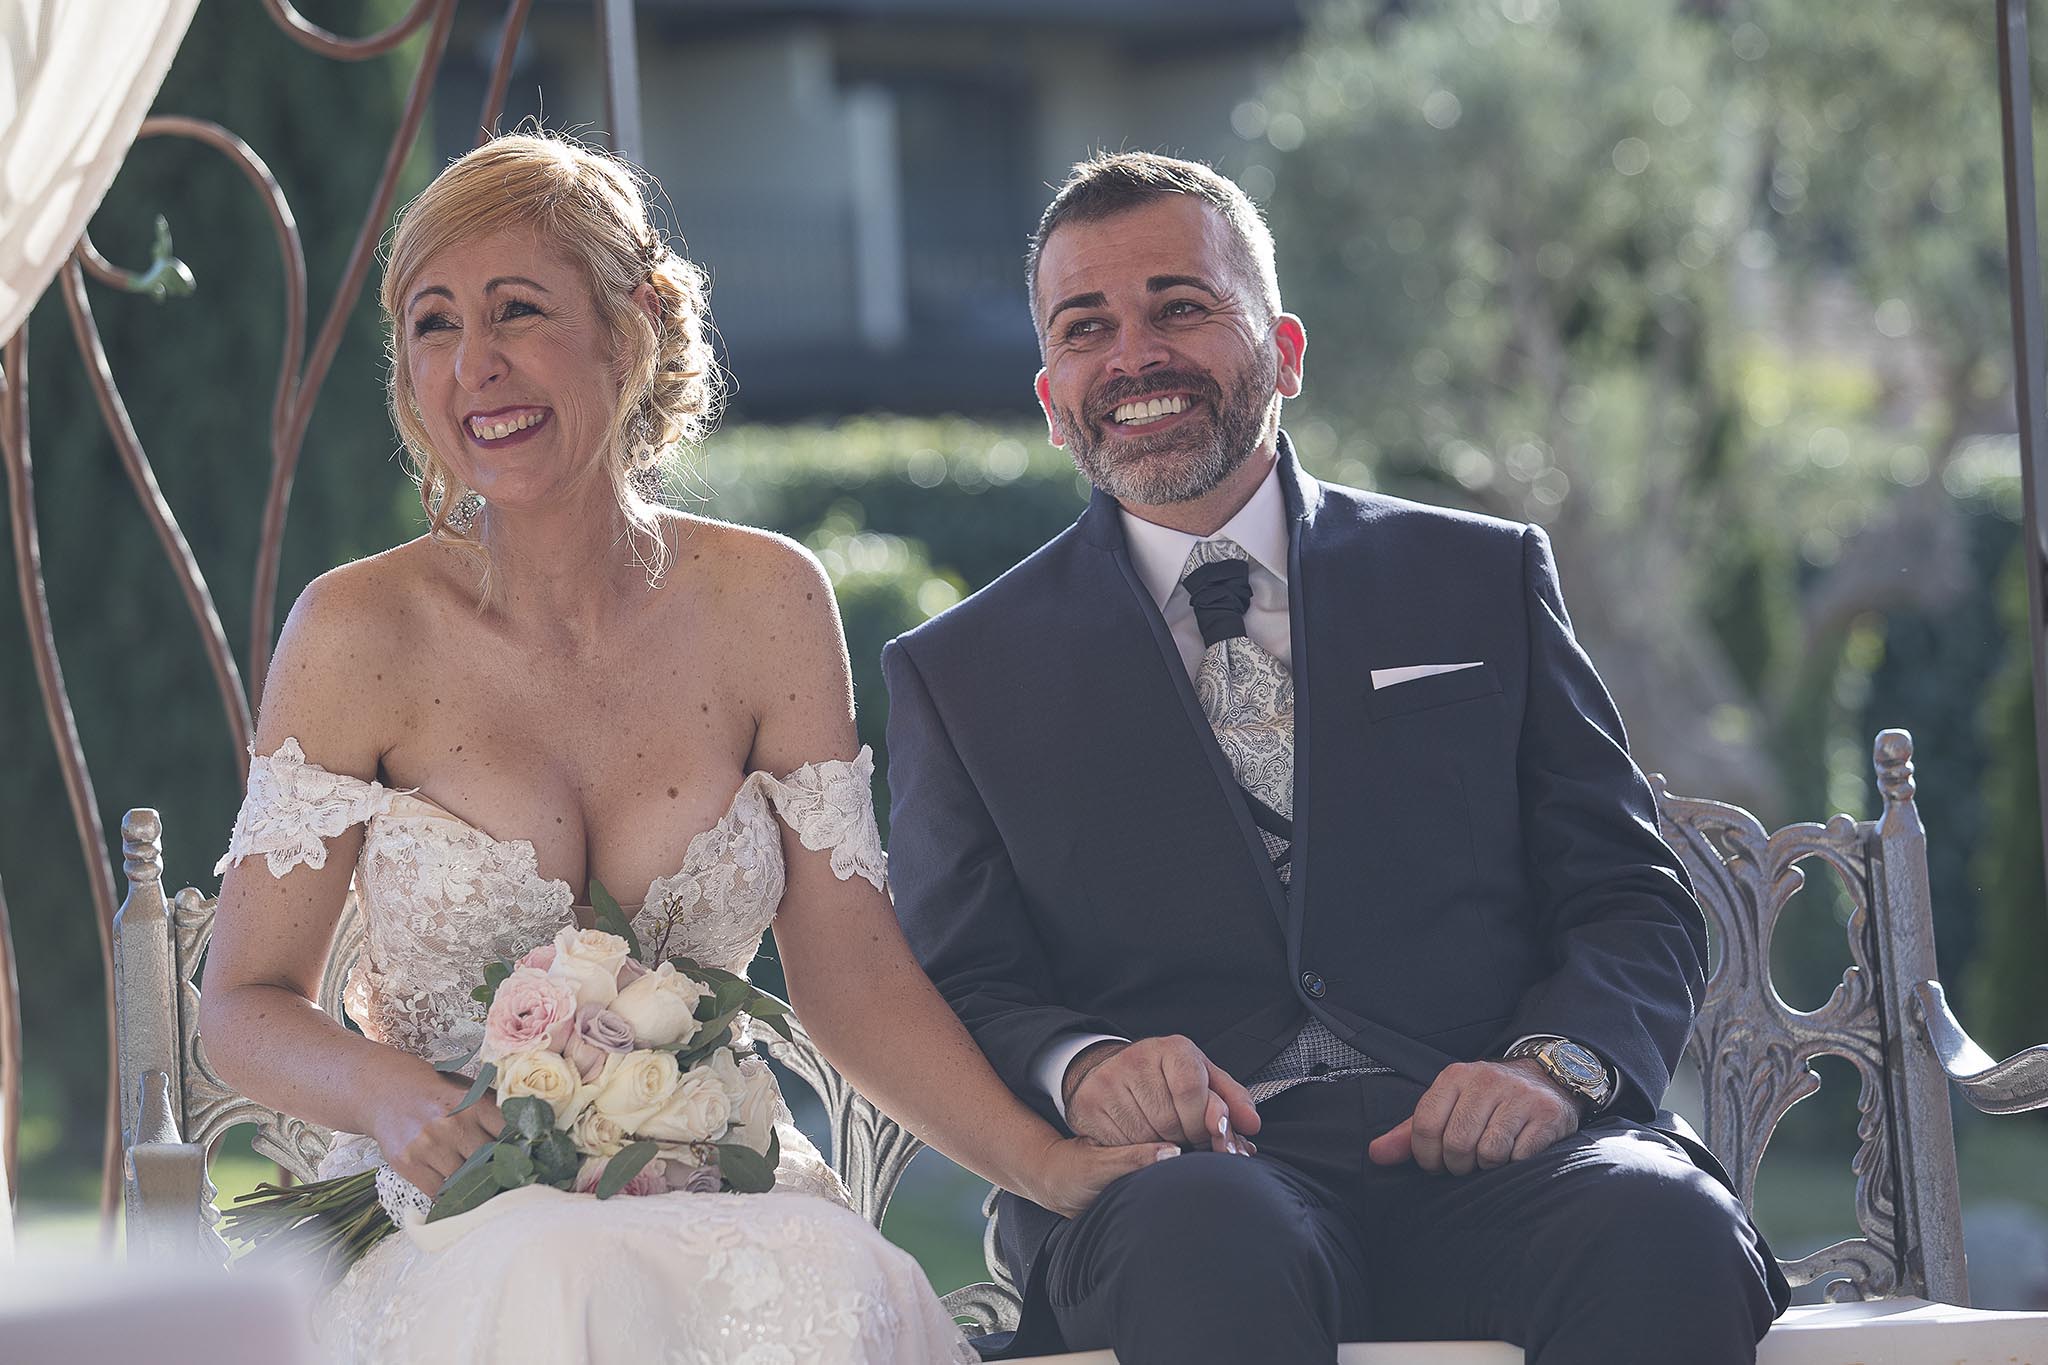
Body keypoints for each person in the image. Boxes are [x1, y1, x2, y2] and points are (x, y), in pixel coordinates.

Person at [200, 132, 1171, 1365]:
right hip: (447, 1218)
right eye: (432, 325)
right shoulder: (355, 631)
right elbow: (240, 1005)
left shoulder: (769, 604)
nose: (474, 365)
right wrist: (386, 1093)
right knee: (551, 1272)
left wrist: (1042, 1164)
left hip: (722, 1194)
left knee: (841, 1279)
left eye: (517, 310)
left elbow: (851, 978)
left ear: (634, 326)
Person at [882, 152, 1793, 1365]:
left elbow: (1627, 897)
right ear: (1052, 399)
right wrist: (1083, 1065)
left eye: (1179, 306)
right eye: (1085, 328)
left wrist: (1550, 1072)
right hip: (1190, 1188)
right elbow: (963, 979)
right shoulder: (960, 670)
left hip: (1506, 1164)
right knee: (1208, 1240)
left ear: (1285, 352)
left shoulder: (1481, 577)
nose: (1133, 356)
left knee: (1663, 1226)